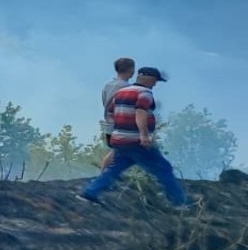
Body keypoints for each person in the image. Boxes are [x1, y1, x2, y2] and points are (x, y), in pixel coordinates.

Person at [79, 67, 191, 208]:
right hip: (136, 141)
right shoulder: (145, 93)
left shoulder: (120, 92)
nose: (155, 84)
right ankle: (179, 202)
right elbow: (140, 112)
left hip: (120, 139)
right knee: (164, 168)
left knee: (115, 168)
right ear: (147, 77)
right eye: (155, 80)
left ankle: (90, 192)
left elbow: (111, 112)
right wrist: (144, 136)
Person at [99, 57, 135, 171]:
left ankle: (106, 176)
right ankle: (103, 176)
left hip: (109, 127)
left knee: (119, 152)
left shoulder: (107, 86)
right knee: (125, 152)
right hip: (122, 128)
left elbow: (105, 103)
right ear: (131, 69)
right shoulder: (129, 88)